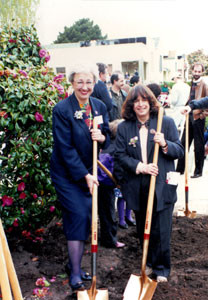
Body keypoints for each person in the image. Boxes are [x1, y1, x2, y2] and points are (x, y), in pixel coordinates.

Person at [114, 84, 184, 282]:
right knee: (143, 228)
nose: (140, 104)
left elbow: (179, 150)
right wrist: (140, 167)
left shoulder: (166, 123)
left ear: (150, 102)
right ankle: (150, 262)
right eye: (136, 101)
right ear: (131, 105)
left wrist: (164, 144)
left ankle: (162, 269)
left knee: (161, 228)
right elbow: (120, 155)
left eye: (144, 100)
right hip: (137, 184)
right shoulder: (124, 127)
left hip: (162, 185)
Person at [50, 64, 110, 293]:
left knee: (87, 214)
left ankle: (73, 263)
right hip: (67, 173)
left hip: (89, 171)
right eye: (80, 82)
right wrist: (84, 175)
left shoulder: (100, 106)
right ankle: (75, 272)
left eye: (89, 82)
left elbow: (107, 140)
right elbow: (65, 149)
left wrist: (102, 137)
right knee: (78, 213)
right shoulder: (62, 110)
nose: (85, 87)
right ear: (72, 84)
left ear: (94, 84)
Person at [98, 119, 126, 247]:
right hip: (106, 184)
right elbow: (117, 168)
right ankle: (110, 240)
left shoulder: (106, 146)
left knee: (104, 212)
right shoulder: (116, 148)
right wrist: (119, 182)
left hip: (99, 182)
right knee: (108, 213)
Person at [176, 62, 208, 178]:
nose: (197, 73)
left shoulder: (204, 85)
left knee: (198, 146)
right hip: (189, 117)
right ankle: (179, 170)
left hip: (198, 118)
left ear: (202, 72)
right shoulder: (191, 83)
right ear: (192, 71)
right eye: (195, 71)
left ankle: (198, 172)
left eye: (199, 71)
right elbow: (190, 99)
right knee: (183, 143)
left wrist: (202, 115)